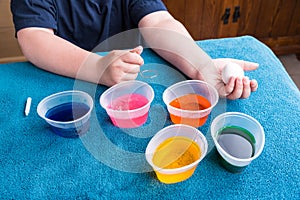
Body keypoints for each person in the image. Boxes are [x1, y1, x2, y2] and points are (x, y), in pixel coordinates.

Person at [11, 0, 258, 100]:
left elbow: (159, 22)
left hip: (135, 86)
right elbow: (35, 38)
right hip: (70, 84)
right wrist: (96, 67)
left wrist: (199, 64)